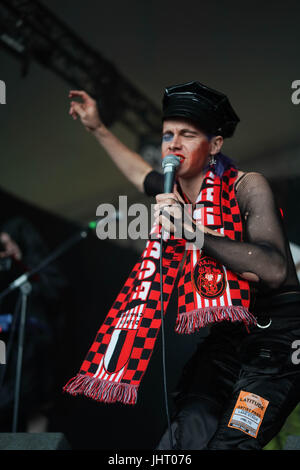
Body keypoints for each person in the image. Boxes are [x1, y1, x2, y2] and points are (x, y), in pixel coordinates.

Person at [67, 81, 300, 450]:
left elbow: (272, 269)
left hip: (279, 336)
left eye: (187, 135)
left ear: (216, 145)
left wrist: (193, 230)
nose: (172, 144)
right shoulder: (174, 192)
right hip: (229, 338)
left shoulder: (247, 186)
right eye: (167, 135)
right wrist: (97, 128)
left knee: (232, 444)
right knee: (182, 438)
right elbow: (138, 174)